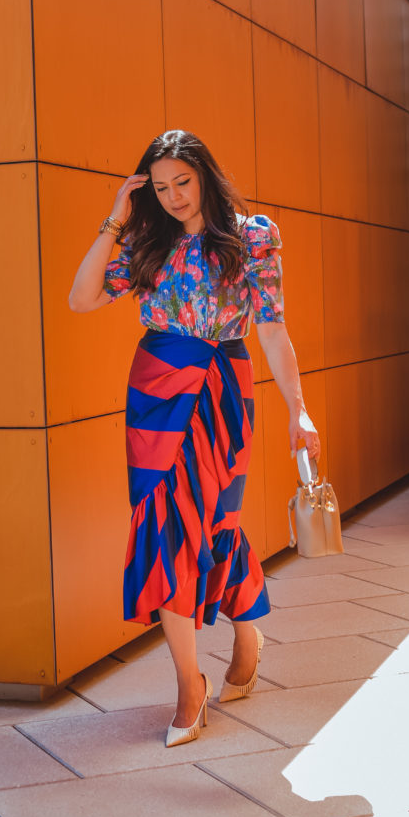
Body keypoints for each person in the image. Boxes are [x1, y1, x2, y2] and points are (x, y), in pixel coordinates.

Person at [69, 130, 319, 748]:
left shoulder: (251, 235)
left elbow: (274, 330)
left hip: (224, 390)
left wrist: (300, 410)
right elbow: (81, 300)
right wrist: (114, 217)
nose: (174, 195)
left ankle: (248, 632)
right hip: (154, 389)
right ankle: (188, 684)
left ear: (205, 174)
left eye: (182, 180)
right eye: (160, 186)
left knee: (216, 525)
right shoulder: (144, 241)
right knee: (162, 526)